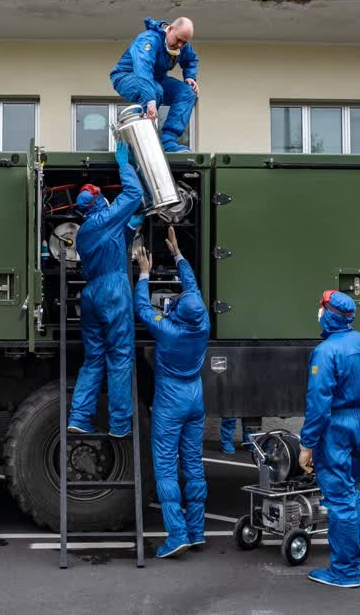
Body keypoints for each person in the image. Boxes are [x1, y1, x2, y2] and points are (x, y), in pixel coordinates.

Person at [133, 227, 211, 558]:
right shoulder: (202, 323)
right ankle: (196, 531)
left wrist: (144, 274)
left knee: (166, 467)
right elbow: (192, 288)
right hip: (195, 399)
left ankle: (176, 533)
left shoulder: (168, 330)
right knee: (193, 464)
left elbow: (141, 308)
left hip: (170, 402)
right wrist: (178, 255)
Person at [298, 290, 360, 588]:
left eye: (321, 307)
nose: (318, 312)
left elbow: (318, 404)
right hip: (359, 421)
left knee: (339, 500)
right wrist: (359, 420)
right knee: (351, 493)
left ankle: (344, 571)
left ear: (329, 314)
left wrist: (307, 444)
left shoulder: (325, 352)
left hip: (335, 425)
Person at [66, 141, 143, 438]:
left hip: (91, 295)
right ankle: (120, 424)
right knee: (120, 355)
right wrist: (125, 164)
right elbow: (134, 195)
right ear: (99, 200)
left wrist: (132, 223)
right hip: (113, 289)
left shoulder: (86, 231)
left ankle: (80, 417)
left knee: (94, 357)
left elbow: (116, 240)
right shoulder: (105, 218)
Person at [110, 17, 199, 153]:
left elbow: (191, 59)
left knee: (187, 92)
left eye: (184, 42)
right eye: (178, 39)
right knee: (155, 91)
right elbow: (143, 69)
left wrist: (189, 77)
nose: (180, 45)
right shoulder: (148, 40)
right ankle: (134, 140)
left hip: (157, 79)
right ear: (169, 30)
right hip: (126, 76)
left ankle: (168, 142)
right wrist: (150, 102)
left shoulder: (183, 46)